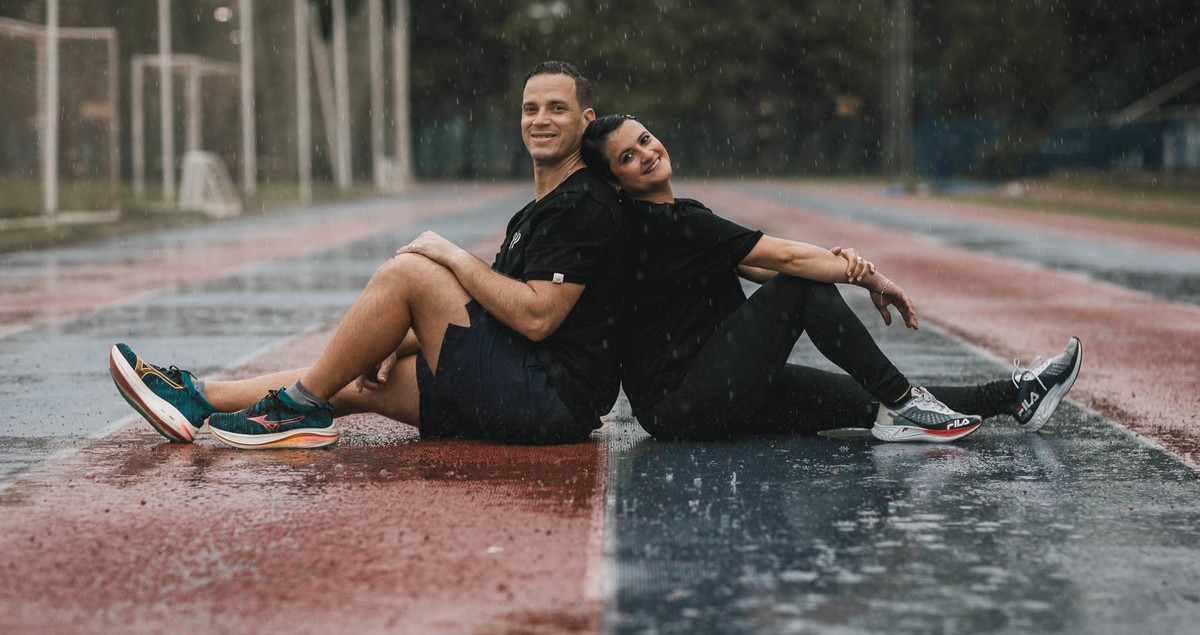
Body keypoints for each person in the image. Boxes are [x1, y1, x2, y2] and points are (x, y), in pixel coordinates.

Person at [110, 61, 627, 449]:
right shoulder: (542, 209)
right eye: (530, 108)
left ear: (585, 120)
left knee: (410, 273)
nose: (541, 119)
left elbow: (535, 316)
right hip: (526, 387)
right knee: (354, 378)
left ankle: (297, 409)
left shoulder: (582, 203)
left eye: (556, 109)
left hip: (546, 400)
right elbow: (497, 309)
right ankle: (196, 398)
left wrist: (449, 254)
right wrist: (391, 343)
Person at [579, 114, 1081, 441]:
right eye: (628, 156)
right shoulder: (667, 224)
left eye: (644, 139)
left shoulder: (675, 218)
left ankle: (1015, 396)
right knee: (805, 294)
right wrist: (864, 277)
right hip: (686, 402)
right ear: (615, 180)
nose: (646, 153)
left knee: (869, 400)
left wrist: (841, 262)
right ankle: (906, 402)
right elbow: (789, 266)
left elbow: (756, 263)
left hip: (718, 390)